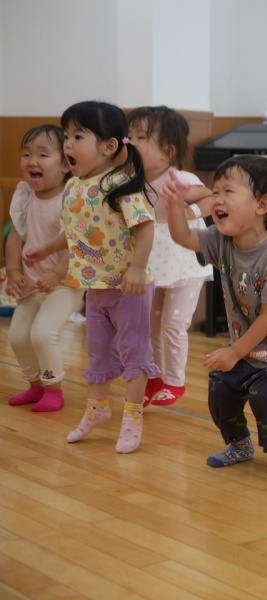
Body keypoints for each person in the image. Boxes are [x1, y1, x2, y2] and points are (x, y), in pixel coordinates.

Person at [162, 156, 267, 476]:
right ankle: (239, 443)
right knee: (220, 389)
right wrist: (175, 205)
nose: (217, 199)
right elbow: (183, 237)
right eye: (215, 192)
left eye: (228, 191)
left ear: (262, 205)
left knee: (266, 396)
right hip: (247, 349)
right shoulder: (221, 241)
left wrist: (233, 352)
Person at [23, 101, 158, 454]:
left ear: (109, 146)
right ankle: (97, 409)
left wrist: (137, 269)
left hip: (129, 288)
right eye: (66, 135)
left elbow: (145, 227)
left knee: (134, 353)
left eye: (78, 136)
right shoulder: (73, 187)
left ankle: (133, 416)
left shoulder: (119, 183)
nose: (68, 143)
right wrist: (45, 249)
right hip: (94, 288)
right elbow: (73, 233)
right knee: (97, 353)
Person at [127, 106, 214, 406]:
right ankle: (154, 377)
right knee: (151, 326)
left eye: (140, 137)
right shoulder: (133, 180)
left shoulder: (179, 178)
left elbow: (211, 197)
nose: (131, 142)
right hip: (153, 265)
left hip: (185, 265)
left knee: (173, 325)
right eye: (129, 136)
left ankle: (175, 382)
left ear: (167, 151)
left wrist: (191, 211)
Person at [6, 125, 85, 412]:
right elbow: (15, 238)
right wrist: (13, 273)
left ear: (65, 165)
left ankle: (54, 389)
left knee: (42, 333)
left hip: (65, 283)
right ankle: (35, 385)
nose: (32, 161)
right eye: (26, 154)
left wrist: (55, 274)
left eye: (42, 154)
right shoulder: (24, 195)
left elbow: (76, 243)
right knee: (17, 336)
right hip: (32, 284)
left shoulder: (71, 197)